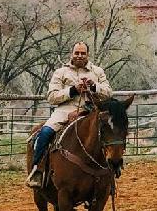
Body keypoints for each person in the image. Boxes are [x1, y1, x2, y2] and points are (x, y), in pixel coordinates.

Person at [28, 41, 113, 187]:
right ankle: (38, 170)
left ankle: (111, 173)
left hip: (91, 111)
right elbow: (52, 97)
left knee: (111, 135)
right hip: (65, 110)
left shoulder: (97, 72)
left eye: (83, 53)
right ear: (71, 54)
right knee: (45, 133)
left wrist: (94, 87)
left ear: (88, 55)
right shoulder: (60, 73)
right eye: (77, 53)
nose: (80, 56)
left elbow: (108, 92)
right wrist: (72, 90)